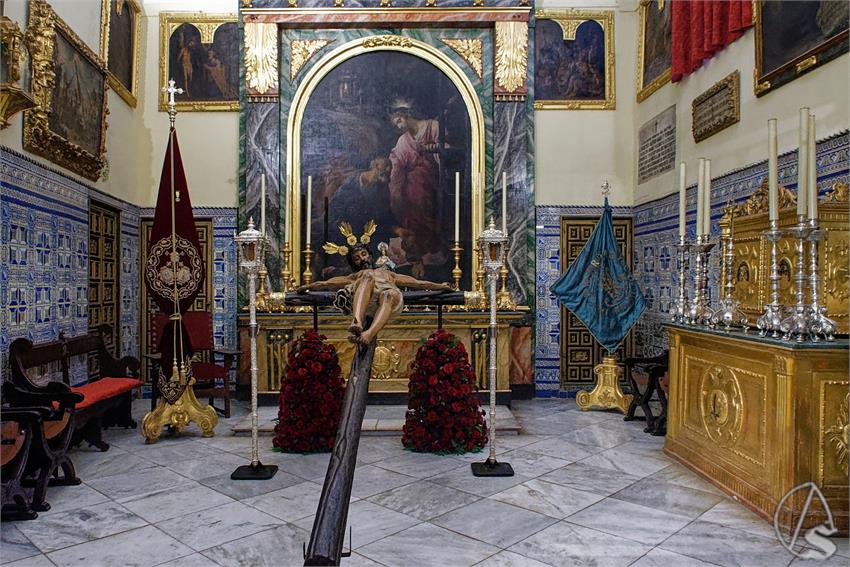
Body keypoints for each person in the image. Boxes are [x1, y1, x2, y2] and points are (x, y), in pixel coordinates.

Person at [298, 222, 451, 345]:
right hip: (368, 300)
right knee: (367, 276)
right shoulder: (357, 275)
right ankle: (357, 321)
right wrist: (308, 286)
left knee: (388, 294)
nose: (362, 259)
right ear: (354, 263)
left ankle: (368, 334)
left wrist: (441, 287)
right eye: (357, 258)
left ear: (370, 255)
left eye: (363, 254)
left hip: (390, 301)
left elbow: (418, 283)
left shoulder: (388, 274)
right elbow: (327, 283)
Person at [387, 99, 443, 278]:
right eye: (395, 124)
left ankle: (432, 251)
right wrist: (395, 192)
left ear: (405, 114)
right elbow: (397, 167)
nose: (398, 126)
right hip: (417, 187)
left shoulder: (433, 126)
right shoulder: (403, 141)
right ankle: (419, 255)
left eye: (398, 121)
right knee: (414, 197)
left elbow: (450, 148)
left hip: (439, 180)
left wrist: (437, 149)